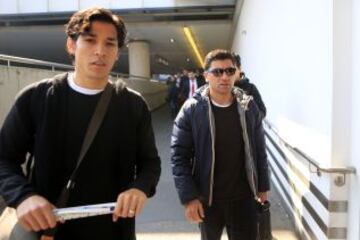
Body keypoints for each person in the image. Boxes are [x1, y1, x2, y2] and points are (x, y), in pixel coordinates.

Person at [0, 7, 161, 240]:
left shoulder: (133, 105)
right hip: (48, 229)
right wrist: (23, 197)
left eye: (110, 44)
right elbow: (4, 158)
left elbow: (150, 162)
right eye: (90, 40)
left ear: (117, 52)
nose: (100, 51)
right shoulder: (37, 98)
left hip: (114, 230)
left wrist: (140, 189)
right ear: (71, 45)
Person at [171, 49, 269, 240]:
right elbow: (179, 156)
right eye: (217, 72)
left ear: (237, 74)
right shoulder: (192, 110)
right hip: (208, 200)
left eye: (230, 71)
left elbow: (259, 148)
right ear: (206, 76)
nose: (224, 77)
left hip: (244, 198)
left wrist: (263, 186)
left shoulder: (248, 106)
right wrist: (189, 198)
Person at [233, 54, 267, 118]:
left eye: (232, 69)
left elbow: (262, 111)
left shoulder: (251, 88)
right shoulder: (224, 88)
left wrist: (250, 118)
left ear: (239, 68)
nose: (229, 73)